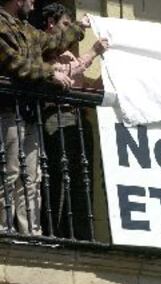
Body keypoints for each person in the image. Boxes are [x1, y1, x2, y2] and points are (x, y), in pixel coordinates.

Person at [0, 0, 90, 234]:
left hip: (28, 113)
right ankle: (4, 230)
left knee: (32, 179)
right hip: (7, 112)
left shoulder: (26, 29)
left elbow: (53, 41)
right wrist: (51, 72)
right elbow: (17, 65)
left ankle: (30, 233)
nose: (33, 1)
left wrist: (80, 27)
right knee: (8, 174)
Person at [39, 2, 108, 239]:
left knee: (81, 177)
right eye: (65, 25)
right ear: (51, 24)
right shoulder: (40, 46)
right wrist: (93, 53)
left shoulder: (69, 53)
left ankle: (79, 233)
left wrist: (108, 76)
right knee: (60, 173)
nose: (69, 30)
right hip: (55, 118)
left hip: (79, 120)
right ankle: (57, 231)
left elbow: (86, 86)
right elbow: (62, 71)